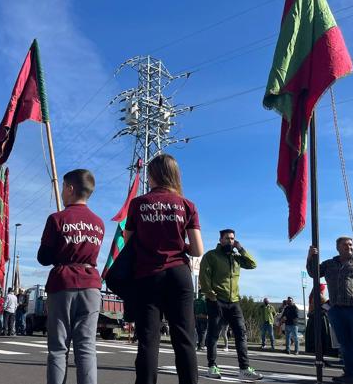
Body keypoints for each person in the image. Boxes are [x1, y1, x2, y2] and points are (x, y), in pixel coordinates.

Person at [122, 155, 204, 384]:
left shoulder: (138, 204)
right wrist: (180, 245)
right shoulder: (187, 205)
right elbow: (197, 250)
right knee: (184, 339)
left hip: (147, 276)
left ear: (153, 175)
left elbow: (128, 243)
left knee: (148, 340)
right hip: (179, 274)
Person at [38, 169, 106, 384]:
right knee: (86, 347)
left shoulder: (57, 218)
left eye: (62, 188)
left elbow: (44, 257)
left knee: (58, 347)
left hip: (63, 283)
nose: (61, 193)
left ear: (70, 188)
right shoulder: (98, 223)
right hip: (91, 284)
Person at [307, 237, 353, 384]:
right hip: (336, 310)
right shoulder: (329, 264)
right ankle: (350, 374)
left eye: (350, 244)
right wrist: (310, 257)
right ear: (338, 248)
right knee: (345, 345)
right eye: (345, 244)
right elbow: (313, 273)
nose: (349, 246)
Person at [200, 229, 263, 380]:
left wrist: (241, 249)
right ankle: (212, 366)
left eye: (233, 239)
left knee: (241, 334)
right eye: (227, 238)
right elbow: (204, 277)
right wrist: (211, 296)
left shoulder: (236, 257)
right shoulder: (211, 256)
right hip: (217, 300)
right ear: (220, 240)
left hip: (234, 302)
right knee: (214, 335)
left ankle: (244, 369)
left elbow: (253, 264)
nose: (230, 241)